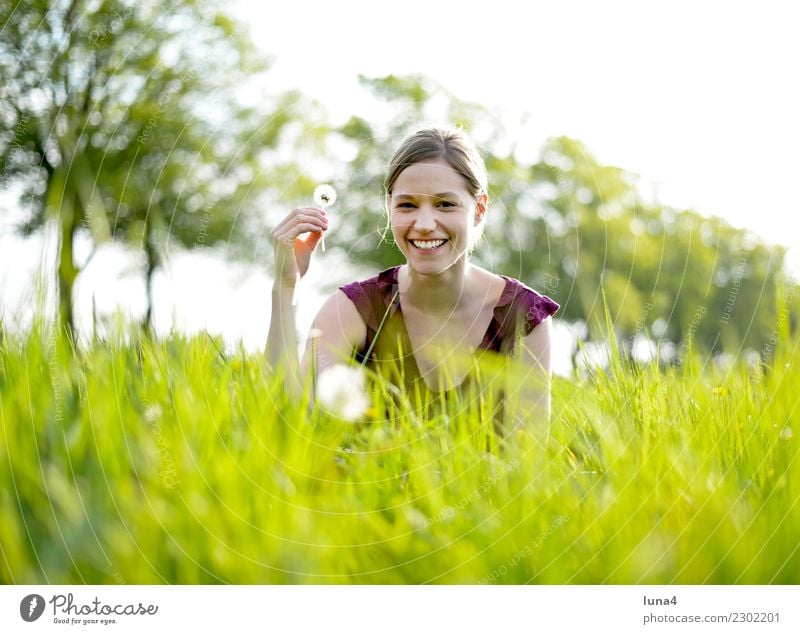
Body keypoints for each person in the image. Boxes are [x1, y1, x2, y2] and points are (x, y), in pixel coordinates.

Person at [266, 125, 559, 443]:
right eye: (407, 205)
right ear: (389, 208)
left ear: (479, 209)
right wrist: (285, 288)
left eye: (445, 204)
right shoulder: (356, 309)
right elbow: (288, 418)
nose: (424, 224)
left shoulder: (522, 317)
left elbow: (527, 459)